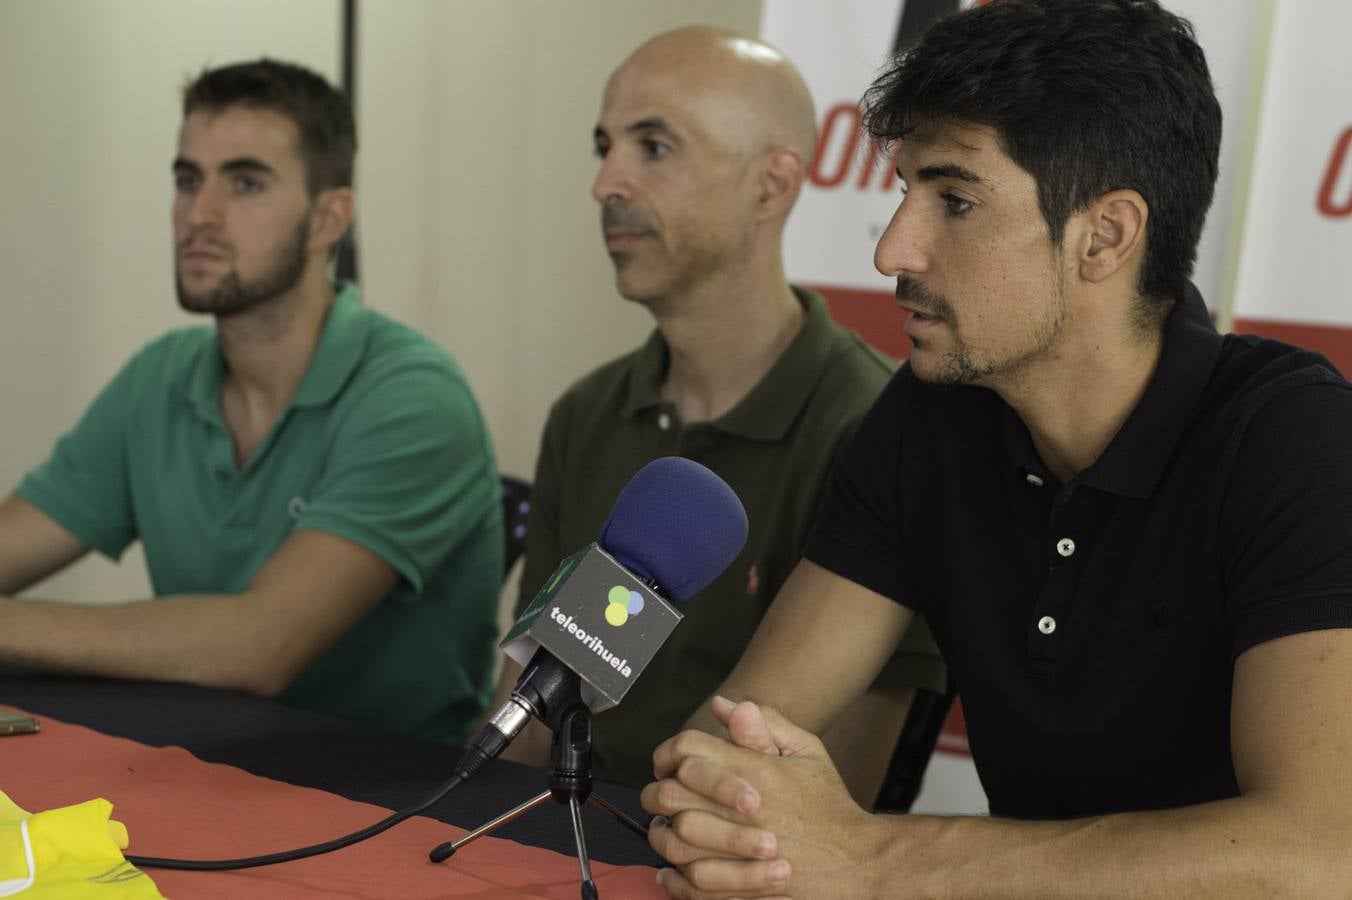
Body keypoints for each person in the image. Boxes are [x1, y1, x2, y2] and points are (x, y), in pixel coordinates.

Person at [641, 1, 1352, 896]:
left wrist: (874, 855)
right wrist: (725, 813)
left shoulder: (1296, 439)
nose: (894, 249)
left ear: (1107, 234)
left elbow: (1323, 852)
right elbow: (736, 738)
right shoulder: (929, 416)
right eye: (903, 193)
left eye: (956, 201)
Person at [491, 27, 945, 801]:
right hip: (541, 850)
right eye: (605, 145)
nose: (606, 183)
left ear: (772, 185)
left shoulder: (878, 429)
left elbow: (837, 793)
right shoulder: (587, 414)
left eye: (654, 147)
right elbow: (522, 729)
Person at [0, 60, 503, 746]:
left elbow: (260, 647)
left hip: (383, 810)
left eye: (244, 183)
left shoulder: (415, 398)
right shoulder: (160, 377)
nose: (199, 215)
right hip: (197, 768)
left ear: (330, 218)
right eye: (187, 180)